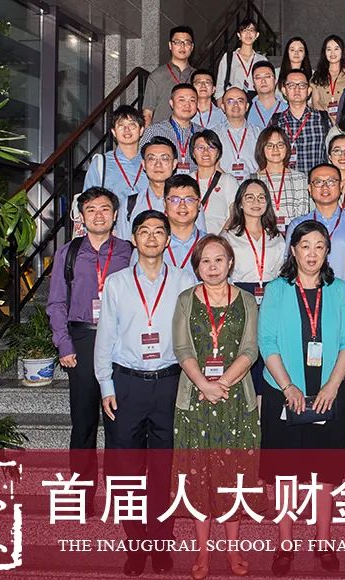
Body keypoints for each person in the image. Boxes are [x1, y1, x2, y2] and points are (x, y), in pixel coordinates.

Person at [95, 210, 197, 576]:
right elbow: (105, 337)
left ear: (168, 240)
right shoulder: (117, 283)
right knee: (126, 471)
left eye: (158, 232)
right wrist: (106, 384)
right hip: (127, 383)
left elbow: (192, 335)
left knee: (165, 470)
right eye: (144, 232)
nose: (151, 238)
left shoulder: (184, 280)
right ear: (134, 239)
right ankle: (136, 545)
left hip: (170, 382)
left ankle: (161, 543)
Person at [257, 220, 345, 576]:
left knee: (325, 473)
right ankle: (285, 543)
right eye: (305, 246)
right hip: (284, 393)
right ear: (293, 250)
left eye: (319, 246)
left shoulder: (338, 289)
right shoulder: (277, 290)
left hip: (328, 393)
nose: (312, 253)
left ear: (327, 251)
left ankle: (323, 540)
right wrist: (287, 386)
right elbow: (267, 342)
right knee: (285, 474)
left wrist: (332, 386)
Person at [170, 234, 260, 579]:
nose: (212, 267)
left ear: (230, 262)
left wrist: (220, 383)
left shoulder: (247, 300)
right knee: (199, 478)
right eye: (205, 261)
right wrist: (204, 385)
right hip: (195, 401)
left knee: (233, 476)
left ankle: (233, 550)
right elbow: (182, 349)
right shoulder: (185, 300)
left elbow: (250, 349)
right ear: (197, 267)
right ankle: (203, 552)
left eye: (218, 259)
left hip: (235, 400)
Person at [47, 187, 133, 512]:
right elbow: (56, 302)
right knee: (83, 423)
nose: (99, 215)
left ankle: (120, 496)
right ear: (81, 217)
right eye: (92, 209)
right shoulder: (68, 253)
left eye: (105, 209)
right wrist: (64, 343)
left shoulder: (128, 251)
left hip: (121, 342)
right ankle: (83, 496)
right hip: (83, 340)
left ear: (115, 215)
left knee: (119, 423)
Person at [286, 164, 345, 302]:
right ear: (309, 189)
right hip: (305, 300)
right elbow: (291, 266)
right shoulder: (297, 224)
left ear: (341, 187)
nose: (325, 187)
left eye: (331, 181)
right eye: (318, 182)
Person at [80, 106, 147, 239]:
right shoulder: (101, 163)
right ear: (113, 132)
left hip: (146, 234)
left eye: (132, 125)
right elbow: (88, 202)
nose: (127, 130)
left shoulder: (151, 162)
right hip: (112, 235)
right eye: (121, 125)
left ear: (141, 130)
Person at [222, 179, 286, 304]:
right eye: (249, 197)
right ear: (240, 204)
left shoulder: (276, 237)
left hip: (272, 296)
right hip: (238, 297)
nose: (256, 202)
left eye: (261, 197)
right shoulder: (228, 237)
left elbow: (281, 271)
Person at [270, 69, 332, 175]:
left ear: (309, 90)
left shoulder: (322, 119)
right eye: (291, 85)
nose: (297, 89)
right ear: (284, 91)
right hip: (285, 181)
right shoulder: (276, 121)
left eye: (302, 85)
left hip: (316, 182)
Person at [254, 127, 311, 232]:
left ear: (287, 148)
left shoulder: (300, 178)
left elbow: (302, 215)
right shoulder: (254, 179)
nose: (275, 149)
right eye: (269, 145)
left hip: (294, 234)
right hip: (263, 236)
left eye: (280, 145)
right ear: (261, 149)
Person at [189, 129, 239, 235]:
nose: (206, 152)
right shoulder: (186, 181)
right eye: (200, 148)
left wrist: (219, 239)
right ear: (193, 153)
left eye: (211, 147)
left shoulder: (228, 181)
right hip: (192, 239)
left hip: (221, 239)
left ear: (218, 153)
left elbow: (234, 215)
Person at [141, 83, 198, 174]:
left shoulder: (202, 133)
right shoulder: (154, 131)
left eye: (192, 100)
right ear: (171, 103)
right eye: (181, 100)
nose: (187, 105)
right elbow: (141, 162)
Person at [143, 26, 194, 126]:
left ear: (192, 47)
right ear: (170, 45)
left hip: (190, 132)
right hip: (161, 133)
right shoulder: (157, 75)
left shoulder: (197, 77)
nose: (182, 46)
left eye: (187, 42)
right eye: (177, 42)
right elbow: (147, 113)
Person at [128, 136, 183, 226]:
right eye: (152, 159)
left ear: (174, 164)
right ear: (143, 165)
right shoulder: (130, 205)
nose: (158, 164)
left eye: (164, 159)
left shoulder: (188, 203)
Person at [214, 86, 262, 183]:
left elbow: (265, 163)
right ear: (223, 107)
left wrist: (252, 184)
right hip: (222, 185)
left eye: (240, 101)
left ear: (247, 106)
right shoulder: (214, 134)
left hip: (254, 186)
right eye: (230, 101)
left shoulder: (260, 133)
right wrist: (229, 182)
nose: (235, 105)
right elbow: (212, 164)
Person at [161, 174, 205, 276]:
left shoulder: (210, 244)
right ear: (164, 204)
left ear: (199, 204)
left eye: (189, 200)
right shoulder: (151, 244)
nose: (182, 206)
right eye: (175, 200)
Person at [310, 35, 345, 122]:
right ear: (324, 52)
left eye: (336, 49)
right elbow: (316, 103)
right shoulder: (317, 76)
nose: (332, 53)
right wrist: (331, 121)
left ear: (342, 51)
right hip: (324, 121)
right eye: (329, 49)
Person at [215, 18, 267, 96]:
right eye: (244, 30)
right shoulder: (229, 57)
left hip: (256, 98)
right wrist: (220, 99)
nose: (248, 33)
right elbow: (220, 85)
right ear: (239, 35)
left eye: (252, 30)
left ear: (257, 35)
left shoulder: (262, 60)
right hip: (234, 97)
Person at [248, 62, 288, 131]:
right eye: (258, 77)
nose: (263, 81)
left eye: (267, 76)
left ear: (275, 81)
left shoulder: (287, 109)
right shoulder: (246, 109)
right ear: (253, 83)